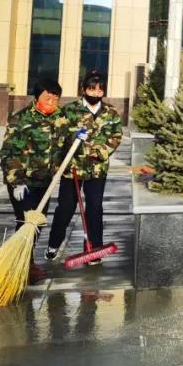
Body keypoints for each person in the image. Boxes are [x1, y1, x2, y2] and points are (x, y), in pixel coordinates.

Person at [46, 69, 124, 265]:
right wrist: (71, 140)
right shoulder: (69, 111)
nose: (96, 94)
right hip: (72, 168)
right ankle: (54, 244)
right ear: (83, 89)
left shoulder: (110, 113)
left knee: (95, 208)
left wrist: (100, 152)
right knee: (66, 207)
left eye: (100, 90)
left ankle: (94, 249)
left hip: (97, 169)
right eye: (92, 89)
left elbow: (116, 137)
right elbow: (57, 137)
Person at [0, 77, 70, 282]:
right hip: (24, 182)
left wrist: (78, 138)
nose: (52, 102)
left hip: (45, 183)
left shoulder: (61, 119)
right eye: (48, 98)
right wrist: (16, 182)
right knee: (25, 223)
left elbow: (67, 145)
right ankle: (22, 266)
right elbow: (9, 152)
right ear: (37, 96)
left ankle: (25, 262)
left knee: (37, 224)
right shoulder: (21, 119)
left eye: (55, 98)